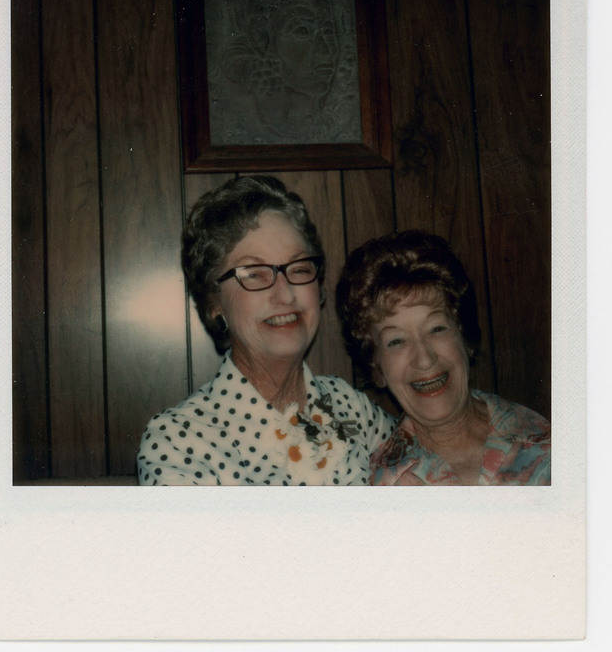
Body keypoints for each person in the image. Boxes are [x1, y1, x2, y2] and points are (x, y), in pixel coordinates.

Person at [137, 175, 394, 485]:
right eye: (254, 274)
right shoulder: (179, 442)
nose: (285, 295)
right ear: (213, 301)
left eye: (299, 269)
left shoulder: (352, 408)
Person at [335, 230, 551, 486]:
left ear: (464, 336)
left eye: (436, 329)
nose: (424, 360)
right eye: (396, 341)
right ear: (377, 368)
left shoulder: (551, 442)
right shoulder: (379, 487)